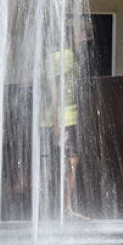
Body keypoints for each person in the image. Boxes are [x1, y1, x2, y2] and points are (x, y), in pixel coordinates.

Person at [42, 21, 88, 220]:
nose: (86, 38)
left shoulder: (64, 56)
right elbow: (56, 89)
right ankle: (65, 207)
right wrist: (58, 121)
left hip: (61, 116)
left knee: (66, 161)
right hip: (62, 117)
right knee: (69, 161)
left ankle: (64, 207)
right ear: (70, 35)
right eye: (82, 33)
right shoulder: (65, 56)